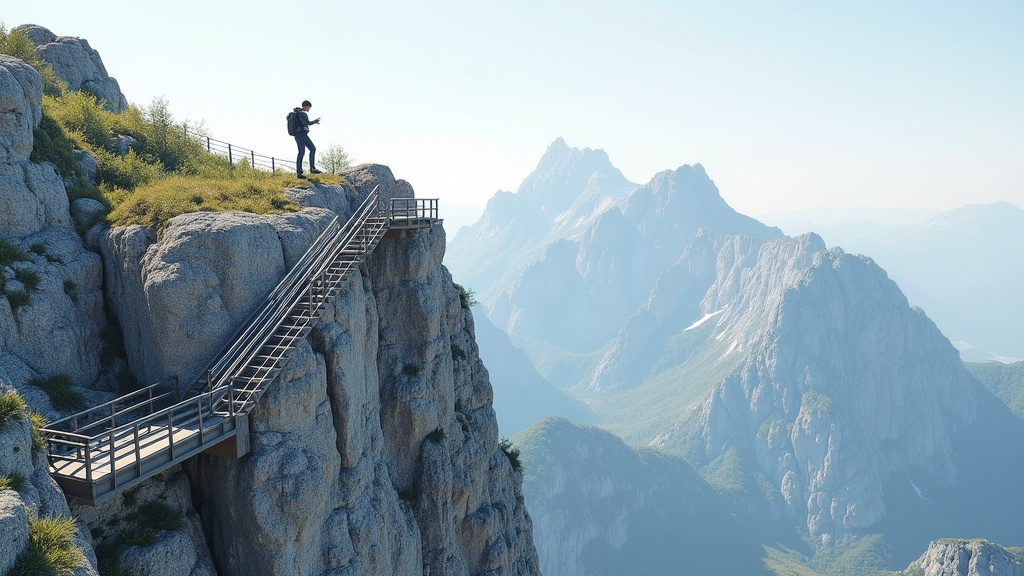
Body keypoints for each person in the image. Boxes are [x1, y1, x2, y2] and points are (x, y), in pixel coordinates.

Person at [294, 100, 321, 177]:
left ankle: (311, 168)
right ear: (306, 106)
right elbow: (306, 123)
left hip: (302, 134)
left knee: (312, 149)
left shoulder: (298, 113)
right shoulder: (302, 113)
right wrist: (315, 121)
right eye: (309, 107)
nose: (309, 109)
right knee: (302, 152)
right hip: (301, 135)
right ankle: (300, 172)